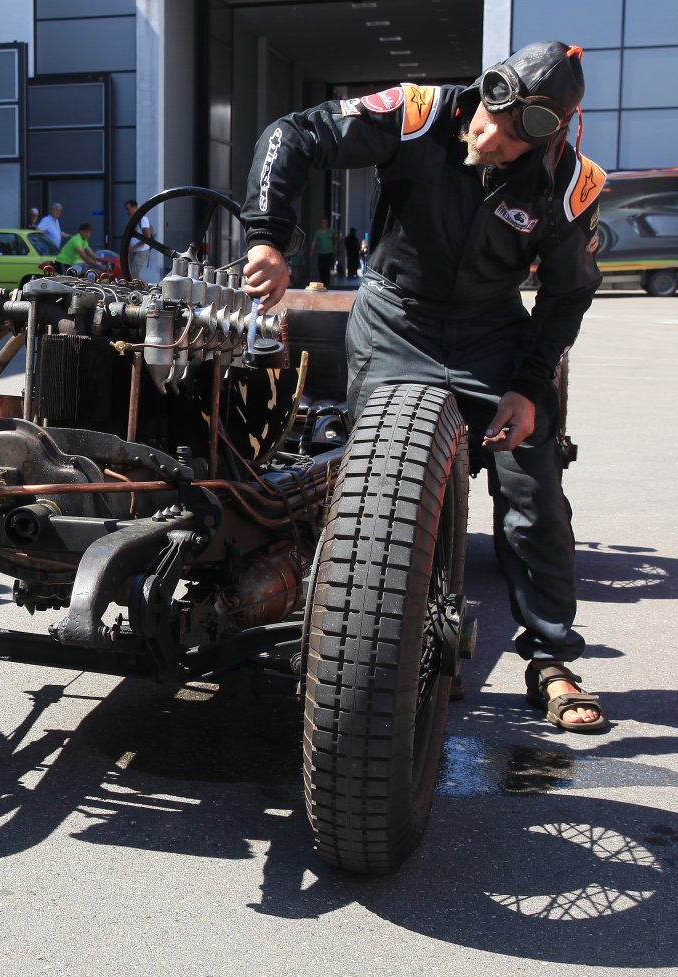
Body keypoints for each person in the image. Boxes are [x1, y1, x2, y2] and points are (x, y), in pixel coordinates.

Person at [240, 41, 607, 733]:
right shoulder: (418, 112)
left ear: (550, 136)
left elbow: (567, 295)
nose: (488, 139)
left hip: (493, 335)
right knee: (373, 485)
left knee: (533, 494)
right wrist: (268, 238)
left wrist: (528, 387)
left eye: (512, 138)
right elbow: (293, 135)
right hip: (394, 319)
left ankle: (551, 658)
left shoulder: (573, 184)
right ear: (482, 95)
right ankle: (387, 640)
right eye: (488, 120)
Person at [123, 199, 162, 282]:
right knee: (128, 273)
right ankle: (133, 288)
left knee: (134, 274)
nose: (127, 212)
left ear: (134, 207)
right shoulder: (133, 220)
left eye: (128, 209)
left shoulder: (143, 219)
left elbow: (146, 237)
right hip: (134, 250)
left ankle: (145, 288)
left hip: (141, 251)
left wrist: (134, 247)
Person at [310, 215, 336, 287]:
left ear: (327, 223)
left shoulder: (331, 231)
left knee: (327, 268)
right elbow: (314, 242)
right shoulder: (318, 232)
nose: (323, 224)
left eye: (324, 222)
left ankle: (327, 282)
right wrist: (311, 251)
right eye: (322, 222)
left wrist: (333, 237)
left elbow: (336, 238)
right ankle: (323, 281)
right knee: (321, 268)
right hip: (321, 253)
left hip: (329, 253)